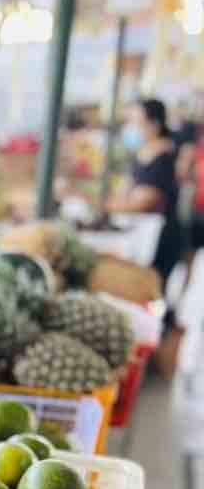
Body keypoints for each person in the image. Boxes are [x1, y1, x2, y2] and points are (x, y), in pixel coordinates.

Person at [107, 99, 184, 377]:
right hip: (144, 236)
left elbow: (145, 200)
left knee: (156, 291)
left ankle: (160, 359)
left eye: (136, 121)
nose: (131, 127)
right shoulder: (145, 152)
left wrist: (110, 204)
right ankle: (151, 355)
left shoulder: (164, 156)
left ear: (153, 123)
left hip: (163, 238)